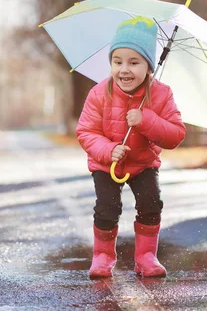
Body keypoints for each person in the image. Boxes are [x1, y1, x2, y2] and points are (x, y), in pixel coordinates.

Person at [76, 16, 186, 279]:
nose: (124, 69)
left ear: (149, 66)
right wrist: (108, 150)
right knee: (107, 207)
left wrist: (146, 120)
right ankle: (102, 256)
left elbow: (175, 135)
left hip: (142, 162)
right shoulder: (99, 93)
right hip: (107, 163)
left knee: (151, 203)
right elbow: (86, 131)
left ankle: (146, 257)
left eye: (134, 62)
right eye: (118, 62)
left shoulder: (161, 94)